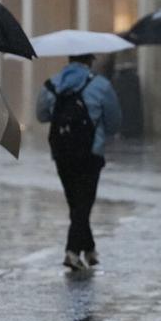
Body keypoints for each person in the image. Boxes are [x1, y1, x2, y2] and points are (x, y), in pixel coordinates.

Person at [37, 53, 123, 271]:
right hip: (91, 153)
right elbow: (114, 122)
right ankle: (72, 251)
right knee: (83, 203)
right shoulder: (101, 85)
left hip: (61, 151)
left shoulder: (52, 84)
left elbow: (41, 115)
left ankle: (90, 249)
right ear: (90, 61)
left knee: (75, 203)